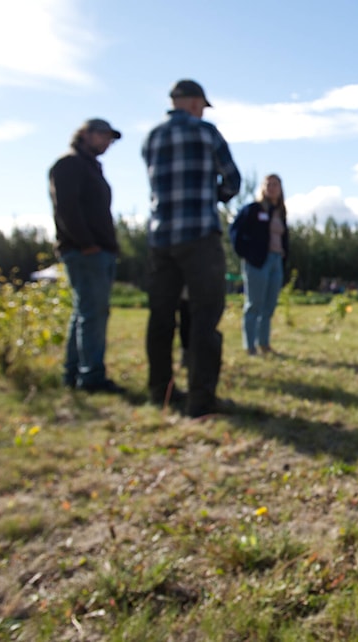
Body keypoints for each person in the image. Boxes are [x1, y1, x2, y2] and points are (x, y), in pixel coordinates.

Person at [142, 79, 241, 417]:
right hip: (199, 236)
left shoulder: (152, 137)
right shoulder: (206, 133)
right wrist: (211, 196)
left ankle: (160, 391)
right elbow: (233, 181)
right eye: (202, 104)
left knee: (160, 317)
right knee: (204, 317)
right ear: (195, 102)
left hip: (160, 239)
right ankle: (201, 399)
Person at [49, 118, 125, 393]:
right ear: (86, 134)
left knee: (84, 313)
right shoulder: (69, 164)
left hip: (98, 251)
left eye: (110, 139)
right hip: (84, 252)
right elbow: (67, 208)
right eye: (104, 136)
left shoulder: (90, 166)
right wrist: (86, 243)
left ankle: (73, 373)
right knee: (92, 314)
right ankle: (92, 377)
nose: (108, 143)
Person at [229, 174, 289, 355]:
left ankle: (264, 343)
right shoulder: (253, 209)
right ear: (262, 188)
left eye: (276, 184)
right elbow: (235, 231)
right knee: (254, 304)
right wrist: (246, 254)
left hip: (276, 261)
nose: (272, 187)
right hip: (257, 262)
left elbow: (284, 237)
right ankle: (250, 346)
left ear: (280, 188)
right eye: (268, 184)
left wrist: (285, 255)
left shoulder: (280, 212)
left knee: (269, 305)